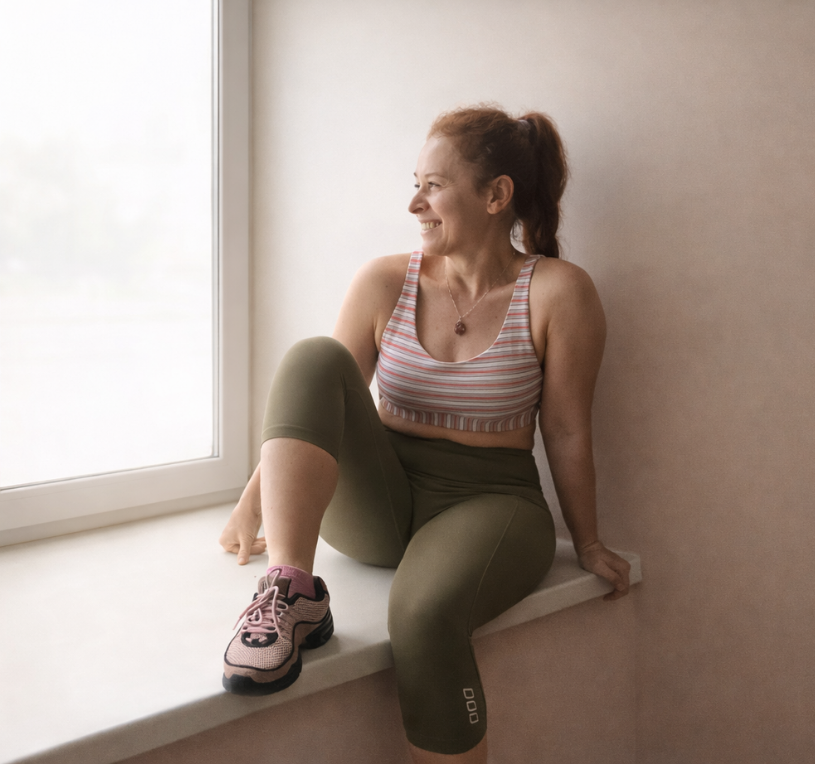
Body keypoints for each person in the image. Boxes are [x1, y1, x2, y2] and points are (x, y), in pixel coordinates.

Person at [218, 104, 632, 763]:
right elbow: (320, 402)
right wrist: (252, 502)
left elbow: (565, 429)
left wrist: (587, 540)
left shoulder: (558, 291)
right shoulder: (385, 281)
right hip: (382, 501)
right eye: (415, 183)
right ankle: (289, 590)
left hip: (491, 503)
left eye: (433, 185)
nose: (415, 203)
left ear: (496, 195)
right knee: (313, 356)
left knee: (423, 619)